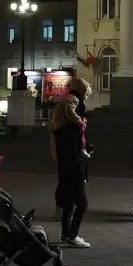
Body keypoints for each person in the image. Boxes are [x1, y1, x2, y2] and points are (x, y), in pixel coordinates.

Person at [50, 77, 93, 247]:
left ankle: (66, 234)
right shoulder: (71, 130)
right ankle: (72, 236)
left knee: (69, 202)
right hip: (74, 171)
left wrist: (86, 147)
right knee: (82, 203)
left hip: (66, 170)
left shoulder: (63, 132)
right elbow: (75, 155)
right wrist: (82, 175)